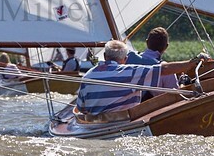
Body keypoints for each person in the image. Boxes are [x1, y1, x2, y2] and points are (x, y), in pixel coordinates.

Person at [75, 40, 206, 116]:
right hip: (123, 125)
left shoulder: (88, 76)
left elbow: (81, 109)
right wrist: (192, 62)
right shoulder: (129, 72)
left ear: (104, 55)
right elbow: (163, 69)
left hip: (96, 128)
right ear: (125, 59)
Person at [125, 27, 179, 94]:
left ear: (147, 42)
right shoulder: (166, 69)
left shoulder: (127, 58)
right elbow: (174, 95)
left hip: (128, 102)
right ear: (166, 46)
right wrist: (183, 84)